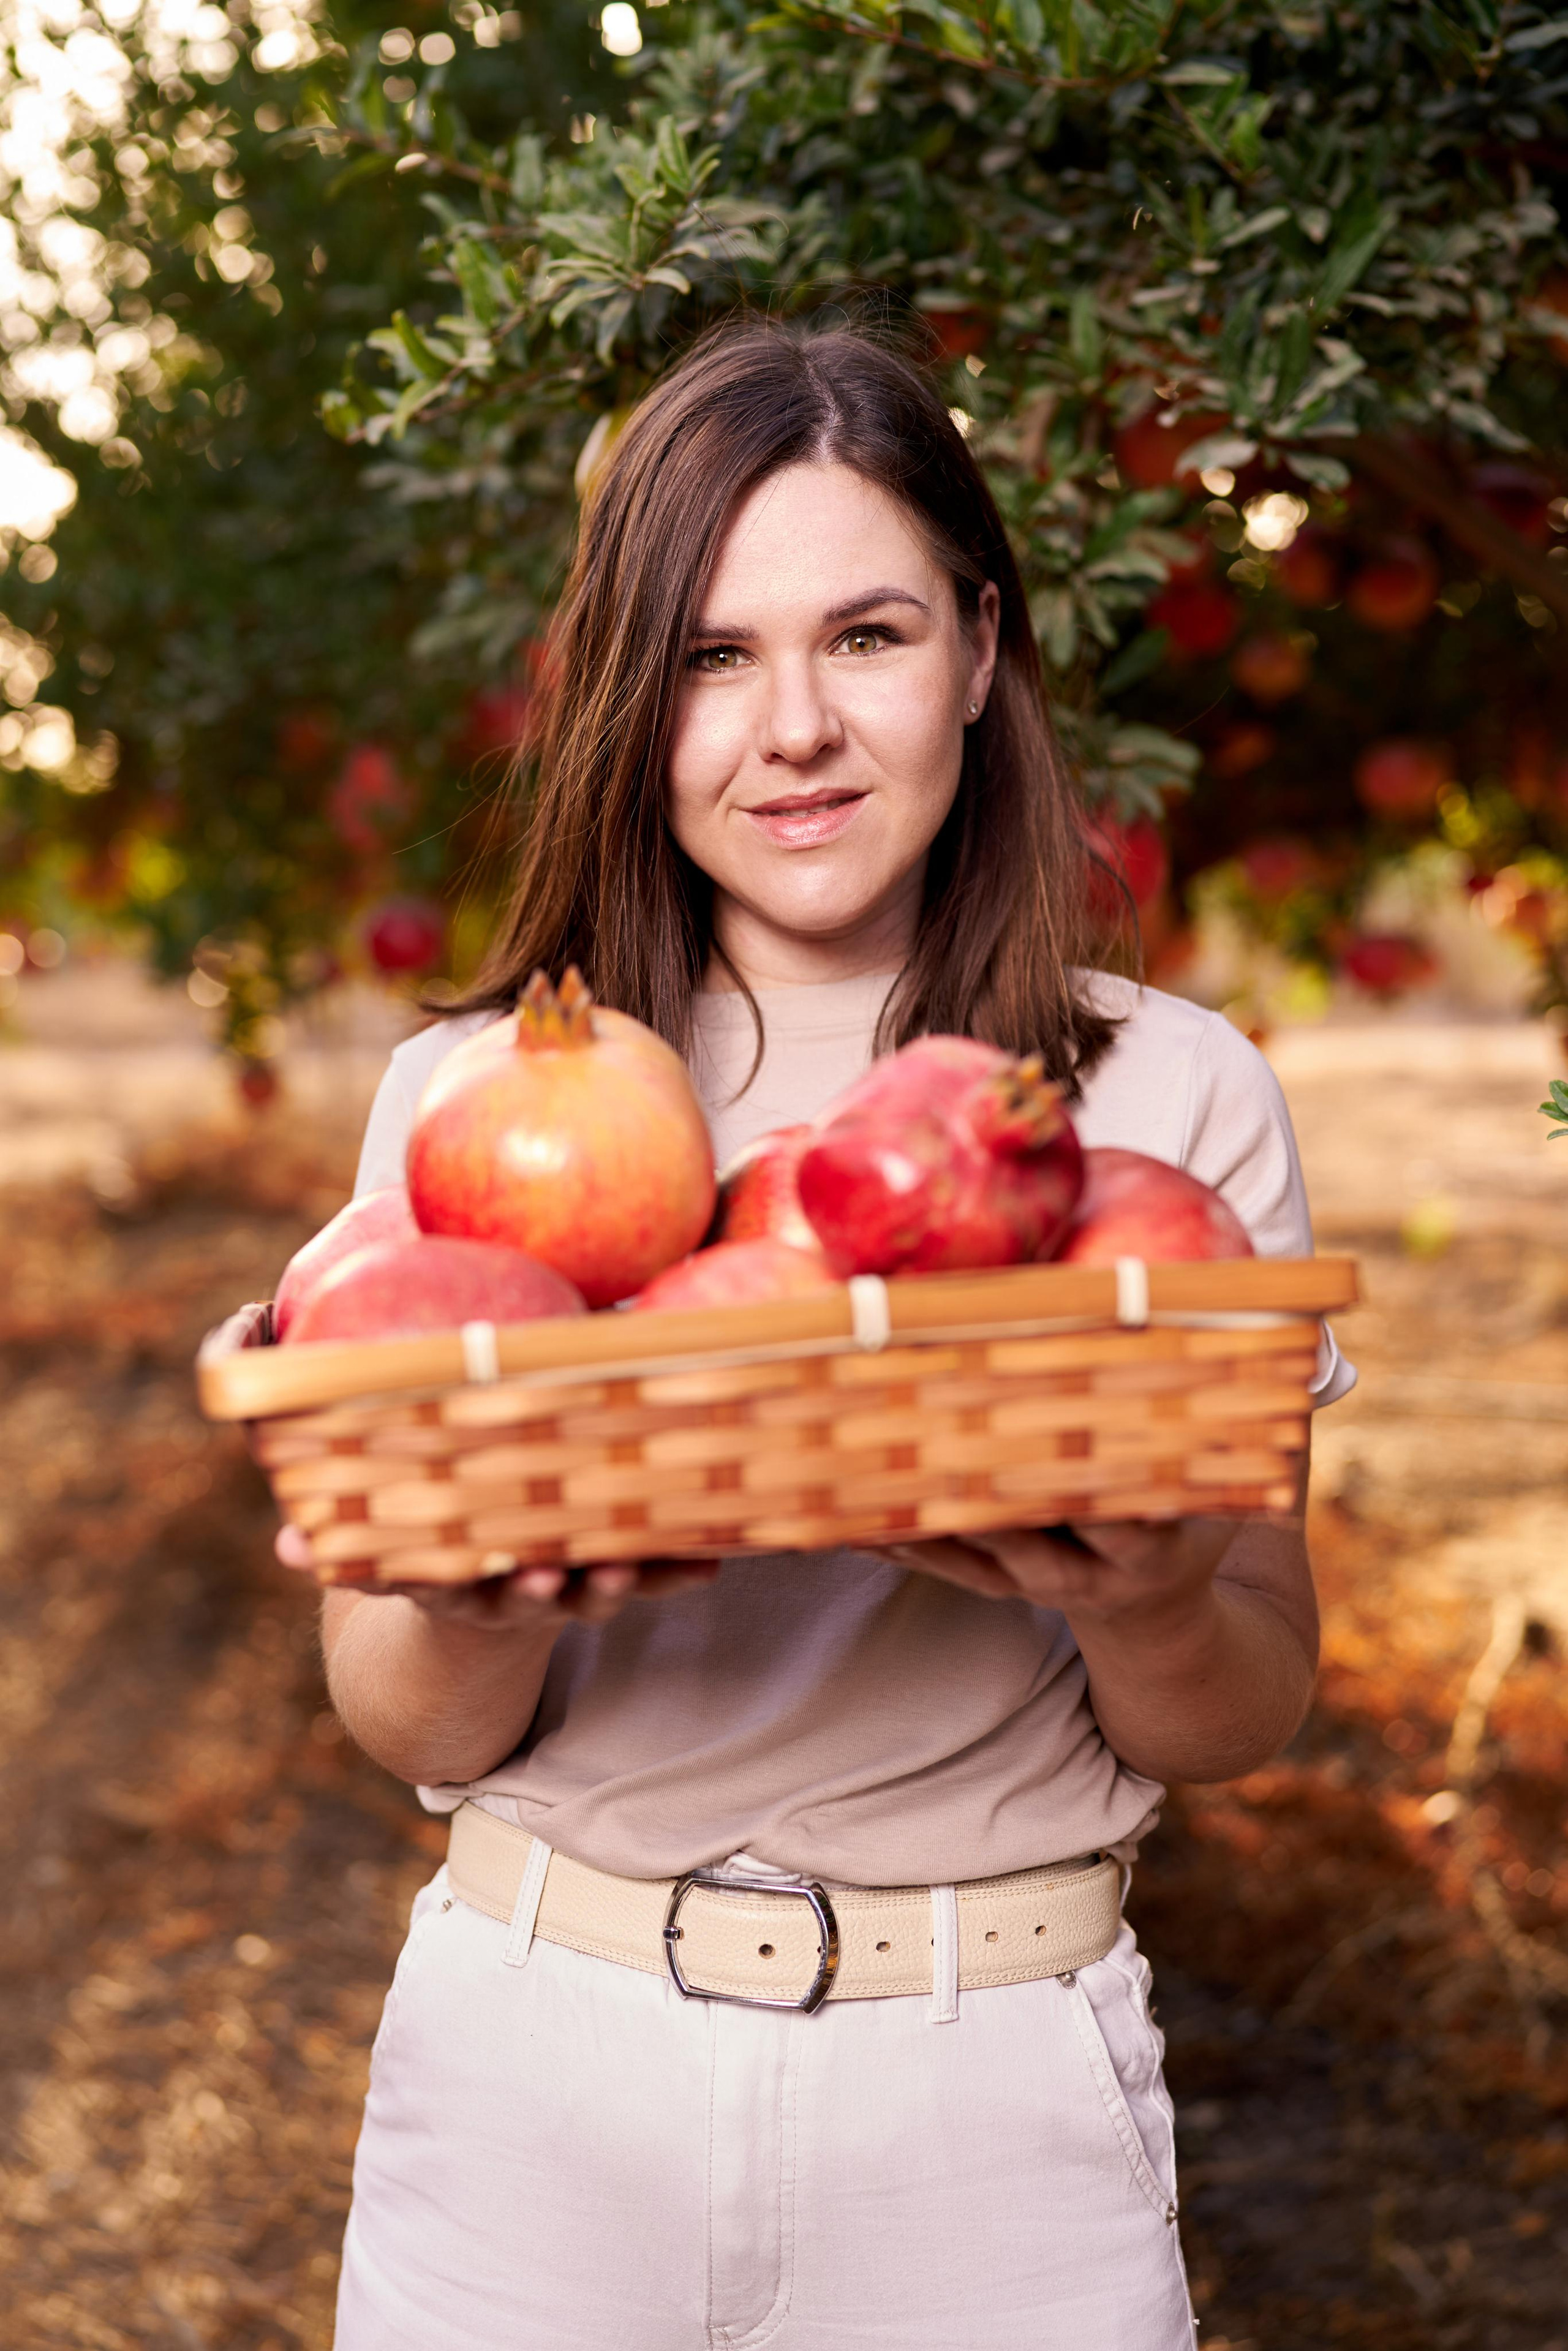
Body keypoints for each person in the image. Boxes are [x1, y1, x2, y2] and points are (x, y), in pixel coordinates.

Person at [293, 320, 1354, 2350]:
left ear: (978, 647)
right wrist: (490, 1597)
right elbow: (408, 1718)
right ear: (633, 700)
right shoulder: (486, 1106)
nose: (792, 727)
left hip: (988, 2103)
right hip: (534, 2086)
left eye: (863, 635)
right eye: (711, 655)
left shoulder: (1156, 1107)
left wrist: (1139, 1607)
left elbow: (1242, 1697)